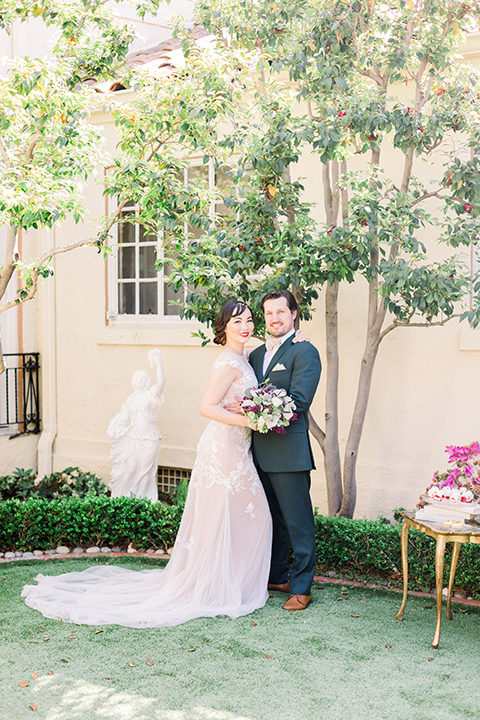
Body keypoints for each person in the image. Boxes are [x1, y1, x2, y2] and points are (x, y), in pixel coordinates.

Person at [21, 300, 272, 628]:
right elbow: (207, 408)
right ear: (223, 327)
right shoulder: (227, 361)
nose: (246, 326)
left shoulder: (245, 357)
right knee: (242, 516)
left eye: (250, 320)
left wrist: (296, 339)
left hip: (238, 448)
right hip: (223, 448)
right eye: (238, 321)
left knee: (240, 517)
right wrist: (248, 422)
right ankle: (215, 585)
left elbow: (239, 393)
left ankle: (227, 581)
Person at [247, 290, 321, 612]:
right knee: (271, 519)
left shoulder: (304, 351)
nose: (274, 318)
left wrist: (257, 409)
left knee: (298, 522)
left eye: (281, 312)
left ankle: (302, 587)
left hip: (289, 454)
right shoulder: (255, 355)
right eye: (268, 313)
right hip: (257, 454)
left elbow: (299, 400)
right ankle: (277, 576)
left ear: (293, 314)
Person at [107, 349, 164, 502]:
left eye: (142, 377)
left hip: (150, 439)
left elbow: (161, 383)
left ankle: (144, 502)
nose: (139, 379)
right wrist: (114, 425)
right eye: (136, 377)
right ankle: (127, 501)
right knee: (130, 468)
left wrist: (158, 362)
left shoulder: (150, 396)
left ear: (146, 381)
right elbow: (122, 415)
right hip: (133, 437)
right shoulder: (131, 399)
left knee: (145, 472)